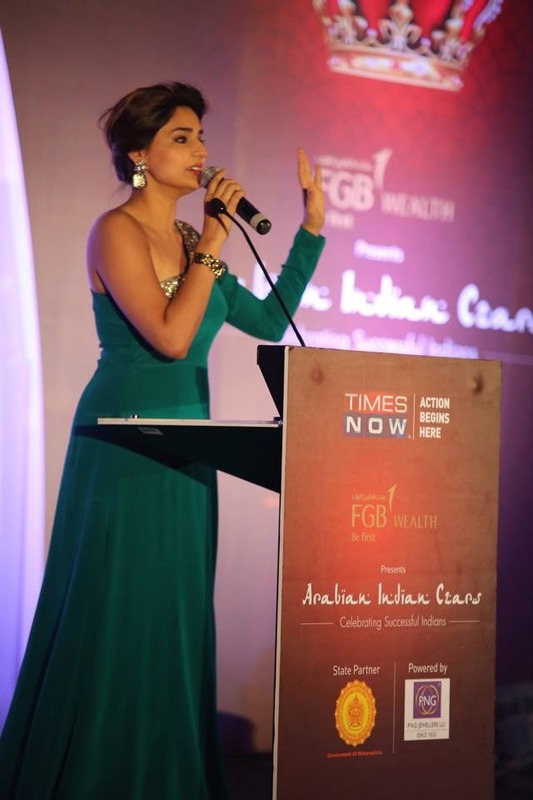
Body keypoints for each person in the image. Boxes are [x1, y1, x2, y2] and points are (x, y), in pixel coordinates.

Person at [0, 81, 325, 799]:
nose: (201, 150)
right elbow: (171, 339)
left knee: (171, 616)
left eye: (201, 137)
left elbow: (269, 323)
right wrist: (214, 239)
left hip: (189, 449)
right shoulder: (114, 231)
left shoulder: (189, 241)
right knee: (117, 610)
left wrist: (310, 229)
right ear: (140, 155)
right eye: (182, 137)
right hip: (123, 445)